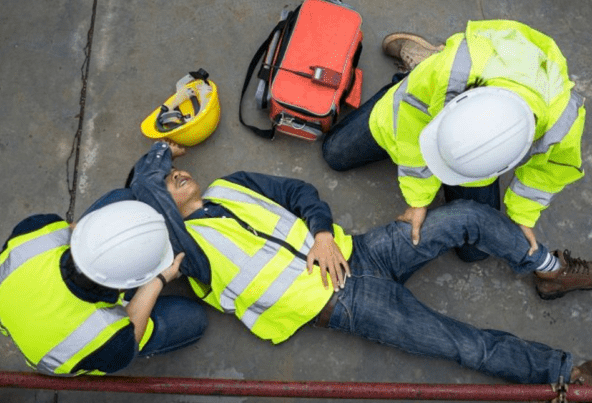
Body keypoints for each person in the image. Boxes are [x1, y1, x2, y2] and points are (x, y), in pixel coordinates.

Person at [129, 140, 592, 385]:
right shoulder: (181, 251)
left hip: (361, 250)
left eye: (171, 170)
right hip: (345, 304)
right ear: (158, 209)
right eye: (167, 181)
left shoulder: (230, 186)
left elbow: (298, 193)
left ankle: (549, 269)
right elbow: (150, 200)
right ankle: (564, 371)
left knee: (469, 215)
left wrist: (324, 234)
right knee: (464, 345)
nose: (177, 174)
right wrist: (156, 155)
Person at [321, 20, 586, 267]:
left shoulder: (564, 117)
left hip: (474, 120)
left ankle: (424, 70)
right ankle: (416, 70)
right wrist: (418, 200)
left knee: (475, 251)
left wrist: (523, 216)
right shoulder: (452, 70)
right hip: (426, 91)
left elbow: (550, 171)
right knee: (335, 153)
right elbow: (409, 129)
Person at [0, 199, 207, 376]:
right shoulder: (108, 340)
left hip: (19, 307)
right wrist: (158, 279)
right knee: (193, 319)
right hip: (62, 353)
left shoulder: (34, 230)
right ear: (127, 285)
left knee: (122, 195)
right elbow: (131, 337)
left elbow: (74, 230)